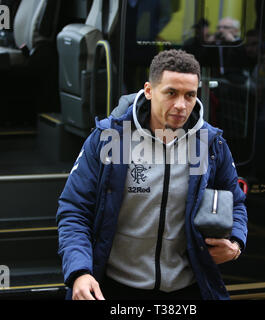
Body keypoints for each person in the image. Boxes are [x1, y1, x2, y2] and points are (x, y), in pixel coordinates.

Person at [56, 49, 248, 300]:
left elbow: (236, 203)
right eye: (171, 93)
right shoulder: (114, 139)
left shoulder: (208, 143)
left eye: (190, 95)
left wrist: (235, 243)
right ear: (148, 91)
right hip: (116, 288)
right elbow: (74, 209)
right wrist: (80, 271)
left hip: (187, 289)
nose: (181, 105)